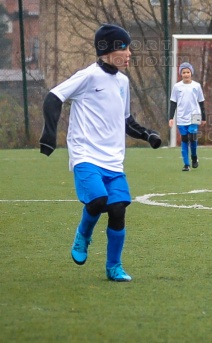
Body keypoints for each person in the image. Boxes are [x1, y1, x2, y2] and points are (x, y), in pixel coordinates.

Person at [39, 23, 162, 282]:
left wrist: (147, 134)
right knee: (97, 200)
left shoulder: (123, 82)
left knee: (117, 209)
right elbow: (53, 97)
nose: (129, 53)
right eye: (124, 47)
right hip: (86, 155)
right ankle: (83, 235)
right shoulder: (88, 76)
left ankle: (113, 267)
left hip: (114, 161)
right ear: (108, 49)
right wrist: (49, 135)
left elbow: (126, 120)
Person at [168, 62, 206, 171]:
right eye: (184, 72)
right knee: (184, 139)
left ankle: (194, 157)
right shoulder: (177, 87)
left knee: (192, 137)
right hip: (181, 117)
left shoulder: (196, 86)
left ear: (191, 73)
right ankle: (186, 164)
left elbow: (201, 102)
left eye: (188, 72)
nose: (186, 74)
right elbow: (173, 102)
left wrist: (204, 118)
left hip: (195, 115)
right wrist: (171, 118)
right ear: (181, 74)